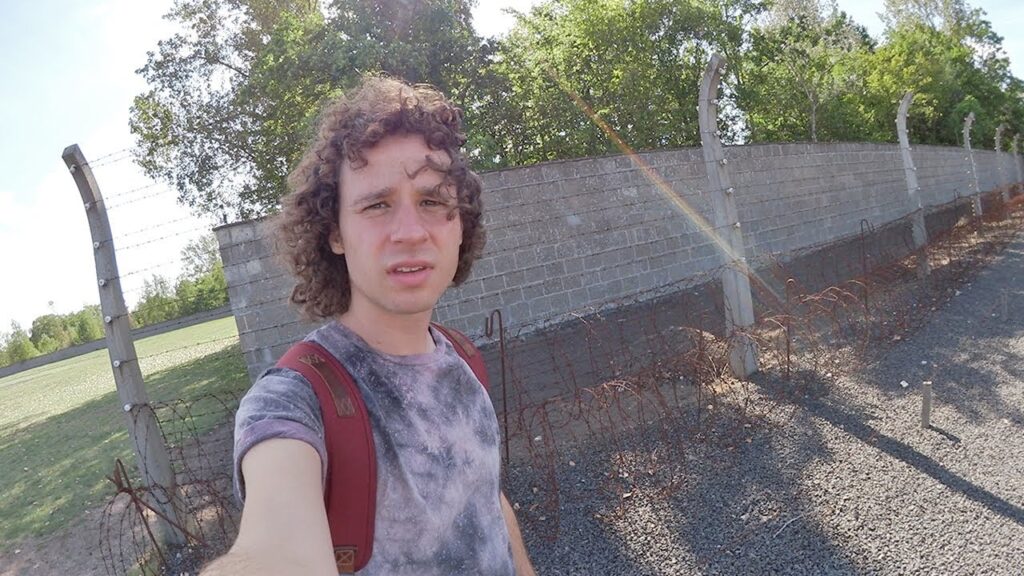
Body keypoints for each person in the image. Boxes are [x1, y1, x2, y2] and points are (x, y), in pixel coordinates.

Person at [202, 76, 536, 576]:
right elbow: (275, 552)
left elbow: (489, 503)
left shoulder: (462, 359)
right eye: (377, 205)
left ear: (460, 224)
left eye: (432, 202)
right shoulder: (294, 400)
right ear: (335, 233)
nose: (410, 232)